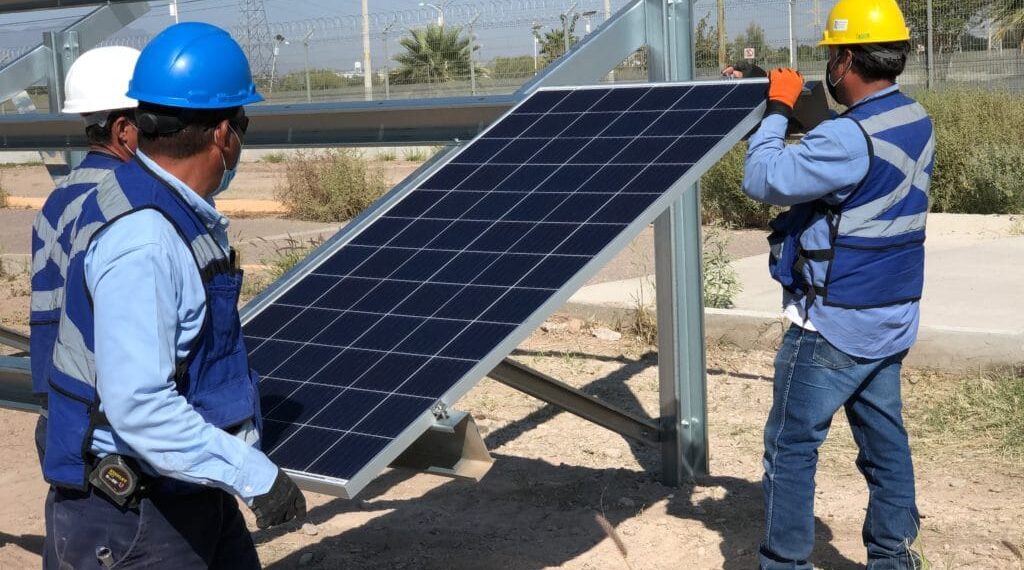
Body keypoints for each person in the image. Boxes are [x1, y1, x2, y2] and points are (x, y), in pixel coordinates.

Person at [42, 23, 305, 569]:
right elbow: (140, 406)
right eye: (242, 124)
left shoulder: (153, 202)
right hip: (131, 520)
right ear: (223, 135)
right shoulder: (146, 239)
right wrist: (255, 476)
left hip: (183, 487)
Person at [740, 1, 934, 569]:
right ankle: (893, 558)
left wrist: (777, 109)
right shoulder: (913, 117)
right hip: (891, 312)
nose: (828, 65)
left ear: (846, 59)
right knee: (884, 445)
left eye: (831, 55)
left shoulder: (849, 139)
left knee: (791, 446)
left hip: (833, 323)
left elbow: (763, 177)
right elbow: (848, 153)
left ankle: (784, 563)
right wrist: (773, 92)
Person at [30, 46, 140, 463]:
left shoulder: (57, 200)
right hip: (110, 428)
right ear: (125, 131)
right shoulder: (128, 203)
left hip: (61, 415)